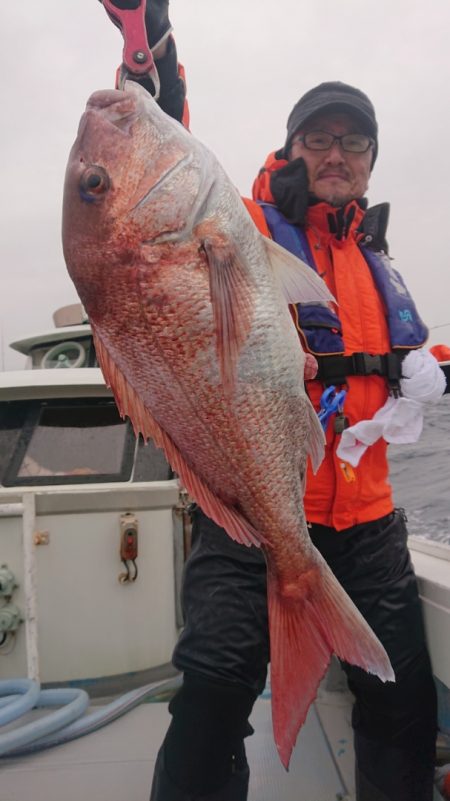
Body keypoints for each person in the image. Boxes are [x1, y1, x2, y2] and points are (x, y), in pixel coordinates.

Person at [103, 3, 442, 799]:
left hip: (369, 522)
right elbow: (153, 160)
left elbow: (401, 353)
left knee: (403, 702)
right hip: (253, 509)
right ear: (291, 150)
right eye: (317, 139)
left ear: (369, 160)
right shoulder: (241, 224)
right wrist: (147, 52)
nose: (335, 153)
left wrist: (440, 365)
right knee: (214, 691)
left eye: (352, 141)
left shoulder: (375, 258)